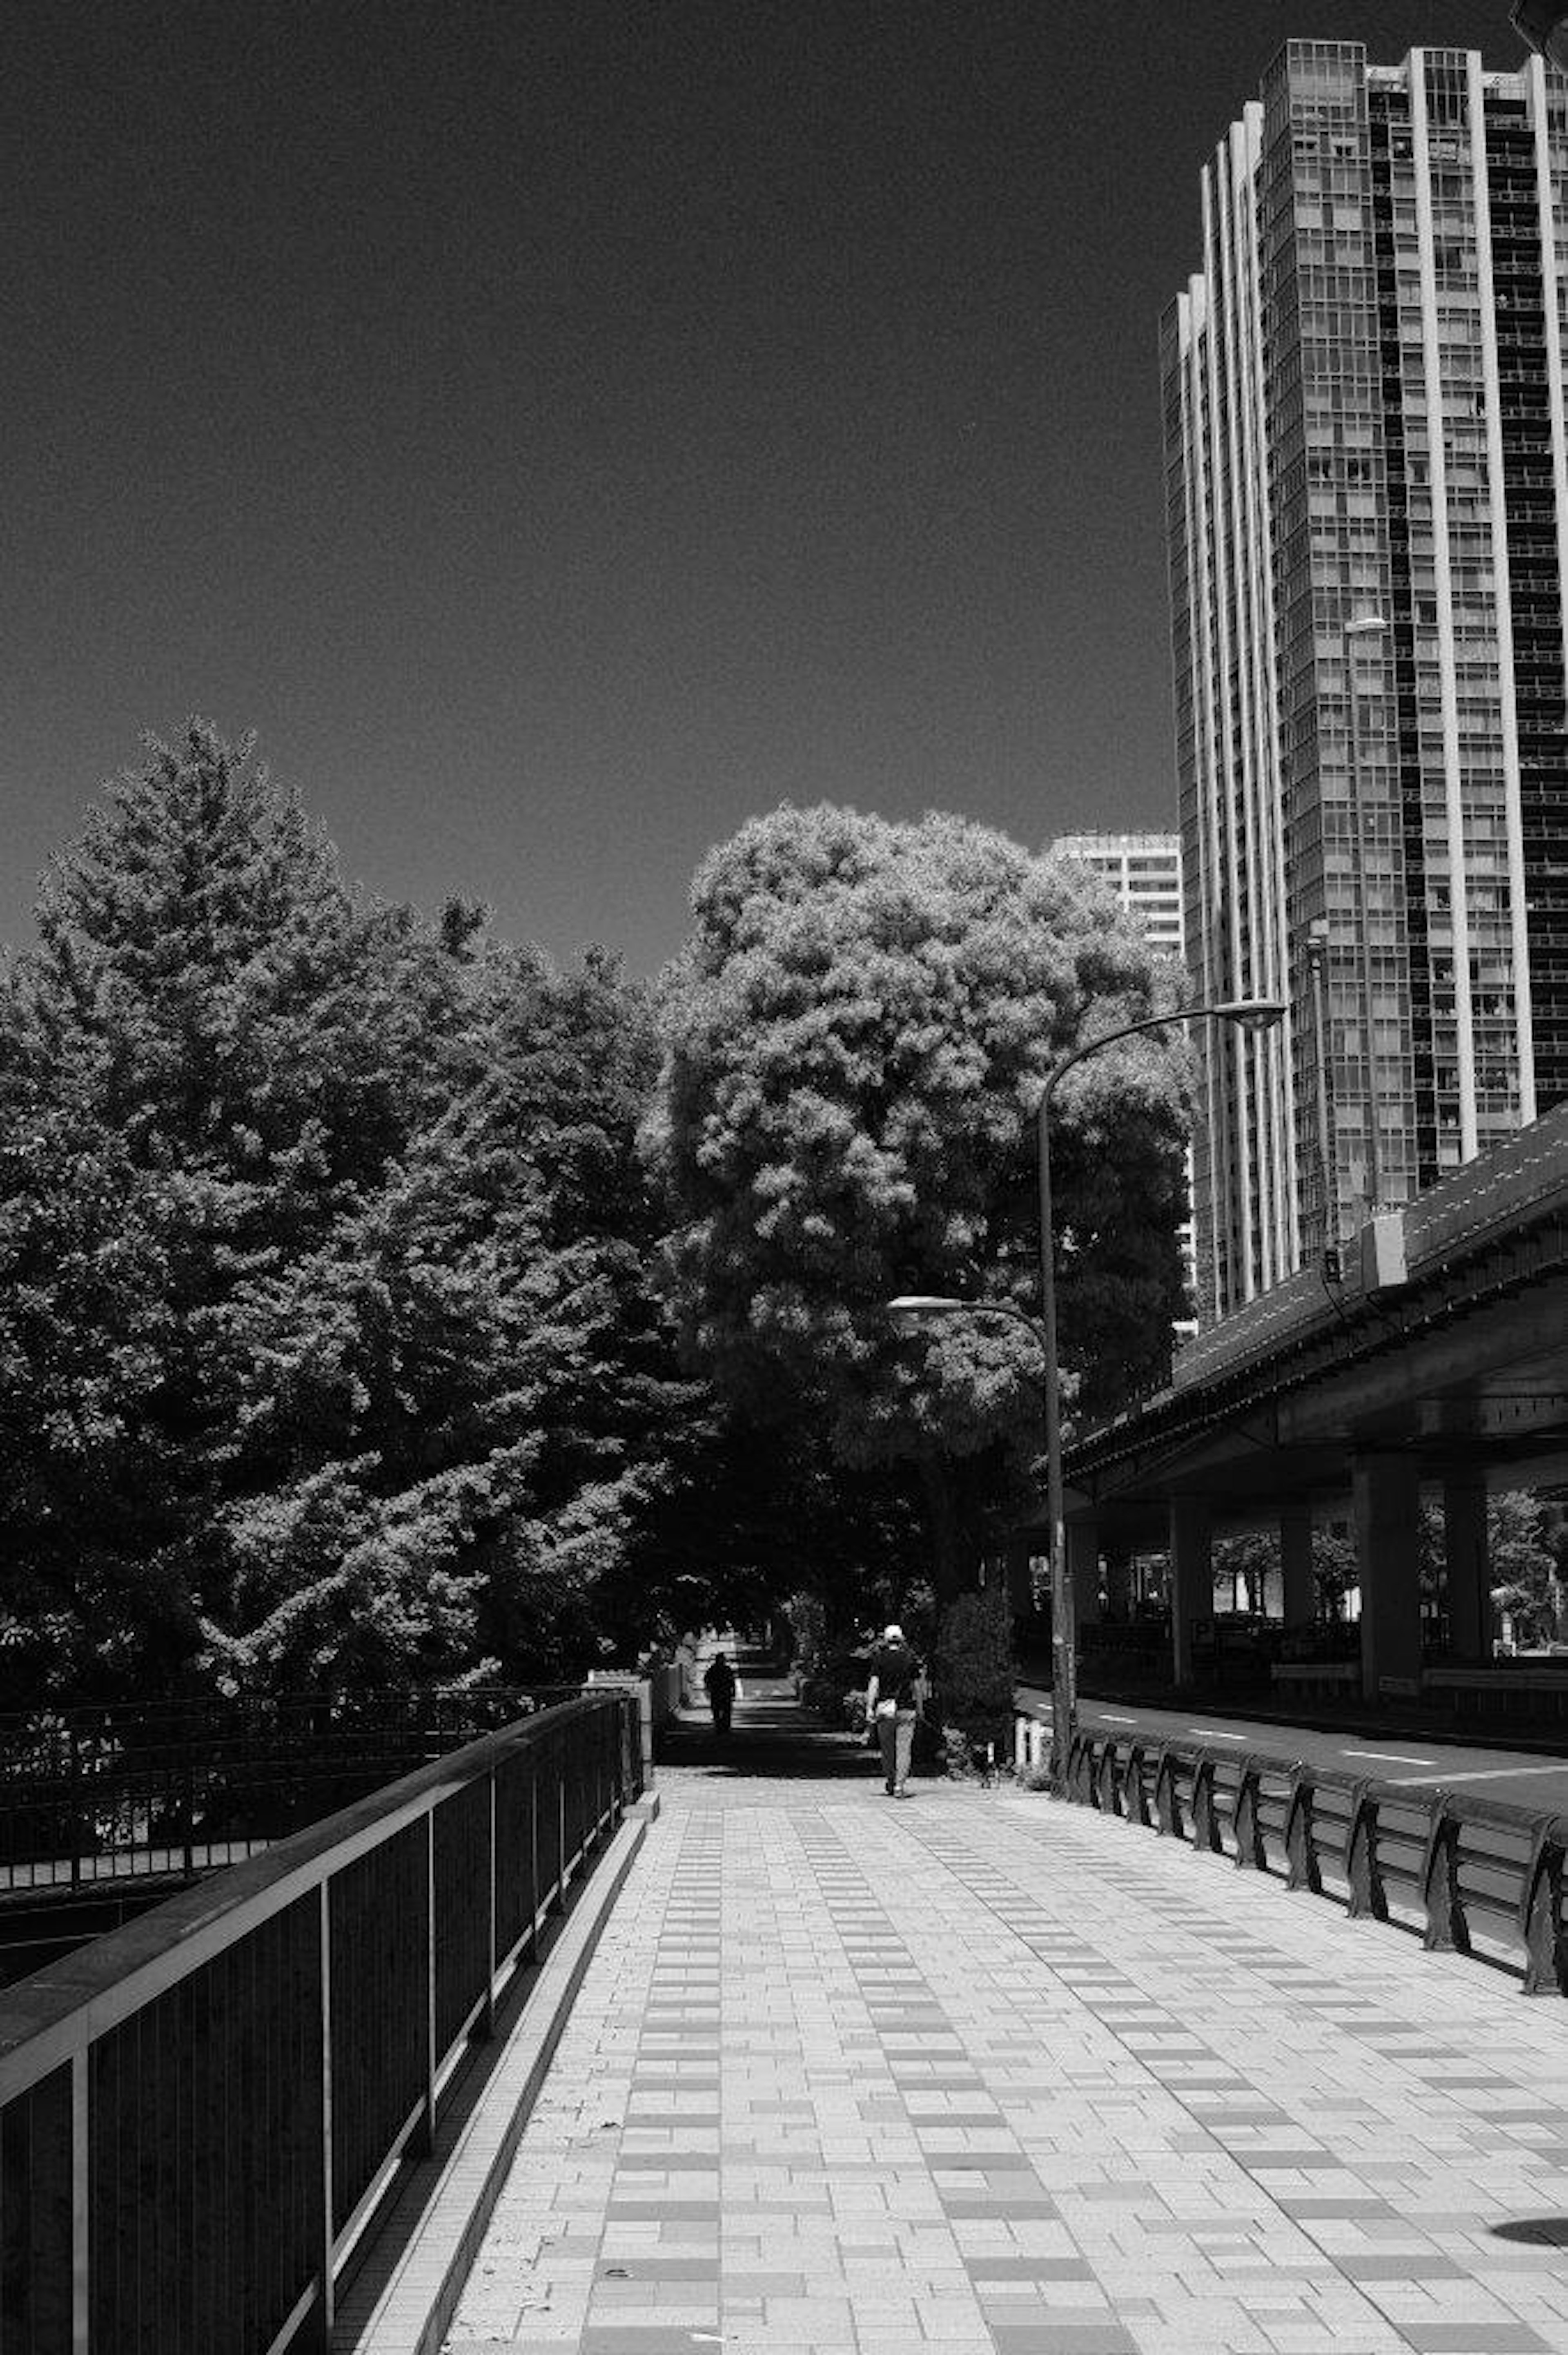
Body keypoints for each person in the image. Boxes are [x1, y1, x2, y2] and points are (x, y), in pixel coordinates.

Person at [864, 1622, 924, 1797]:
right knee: (904, 1749)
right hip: (906, 1710)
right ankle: (900, 1785)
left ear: (886, 1639)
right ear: (902, 1639)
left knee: (887, 1749)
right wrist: (920, 1708)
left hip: (885, 1710)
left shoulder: (879, 1659)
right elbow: (917, 1687)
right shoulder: (910, 1658)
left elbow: (874, 1684)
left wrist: (869, 1707)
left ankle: (891, 1781)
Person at [703, 1650, 738, 1735]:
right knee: (723, 1711)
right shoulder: (726, 1669)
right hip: (722, 1693)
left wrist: (708, 1689)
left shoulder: (713, 1669)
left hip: (719, 1693)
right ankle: (723, 1727)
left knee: (720, 1711)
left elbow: (707, 1680)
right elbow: (732, 1682)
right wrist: (733, 1692)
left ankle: (721, 1727)